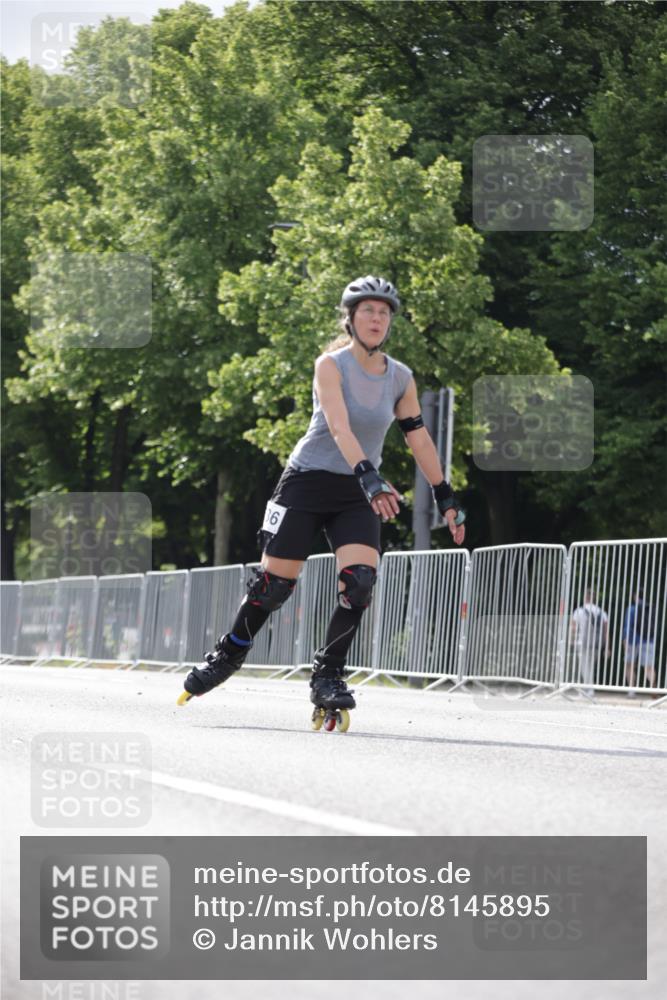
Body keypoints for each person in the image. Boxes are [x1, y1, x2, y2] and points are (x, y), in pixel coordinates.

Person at [179, 275, 466, 730]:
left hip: (356, 492)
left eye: (384, 312)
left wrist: (445, 495)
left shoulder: (400, 377)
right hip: (308, 483)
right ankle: (230, 652)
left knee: (360, 584)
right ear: (351, 318)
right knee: (273, 587)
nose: (376, 319)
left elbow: (419, 439)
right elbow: (339, 427)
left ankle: (328, 674)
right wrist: (370, 477)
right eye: (368, 311)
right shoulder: (330, 366)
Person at [570, 589, 608, 695]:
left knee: (584, 666)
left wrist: (572, 640)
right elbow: (606, 632)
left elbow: (573, 628)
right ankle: (589, 688)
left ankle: (588, 689)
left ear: (585, 597)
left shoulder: (579, 611)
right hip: (596, 643)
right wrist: (607, 646)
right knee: (591, 666)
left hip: (582, 642)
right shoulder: (602, 612)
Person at [623, 588, 656, 695]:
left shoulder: (632, 609)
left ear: (635, 596)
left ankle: (632, 691)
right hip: (649, 640)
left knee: (630, 665)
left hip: (633, 641)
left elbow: (627, 627)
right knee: (649, 667)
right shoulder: (650, 608)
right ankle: (653, 688)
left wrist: (626, 640)